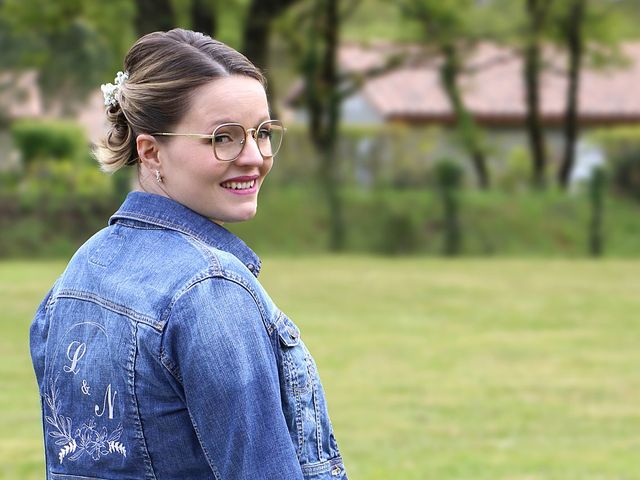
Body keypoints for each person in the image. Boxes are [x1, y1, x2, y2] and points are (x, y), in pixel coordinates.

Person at [30, 28, 347, 480]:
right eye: (223, 137)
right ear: (152, 151)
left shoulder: (78, 274)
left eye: (262, 132)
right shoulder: (210, 291)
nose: (254, 156)